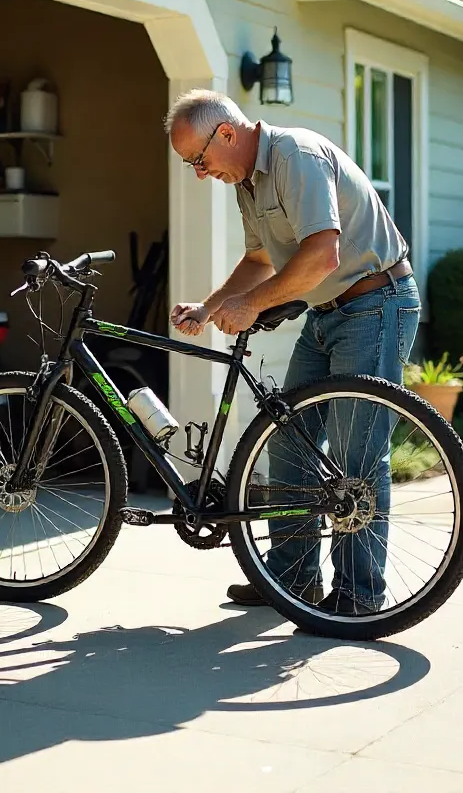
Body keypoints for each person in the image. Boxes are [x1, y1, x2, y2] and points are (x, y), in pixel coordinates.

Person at [165, 89, 420, 613]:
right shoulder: (247, 180)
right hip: (328, 314)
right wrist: (211, 307)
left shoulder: (295, 157)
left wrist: (251, 306)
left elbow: (322, 255)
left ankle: (359, 596)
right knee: (286, 440)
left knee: (356, 456)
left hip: (376, 302)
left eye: (198, 159)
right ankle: (291, 581)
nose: (197, 172)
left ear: (228, 134)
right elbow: (259, 259)